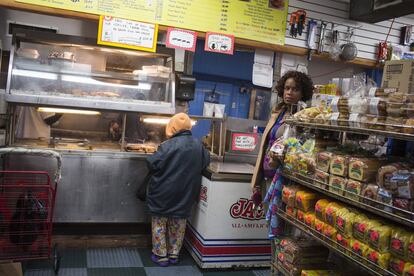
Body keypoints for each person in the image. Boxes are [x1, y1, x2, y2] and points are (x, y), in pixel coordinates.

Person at [251, 71, 313, 238]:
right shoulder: (278, 112)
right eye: (287, 88)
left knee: (283, 228)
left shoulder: (304, 117)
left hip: (286, 180)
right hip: (267, 176)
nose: (289, 93)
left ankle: (279, 261)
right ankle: (273, 261)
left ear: (303, 93)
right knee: (270, 221)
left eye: (295, 89)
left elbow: (304, 150)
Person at [146, 113, 210, 267]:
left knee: (159, 222)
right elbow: (205, 163)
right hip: (186, 193)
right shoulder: (198, 146)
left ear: (172, 127)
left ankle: (161, 255)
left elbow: (153, 164)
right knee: (179, 223)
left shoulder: (167, 145)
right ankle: (174, 254)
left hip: (163, 192)